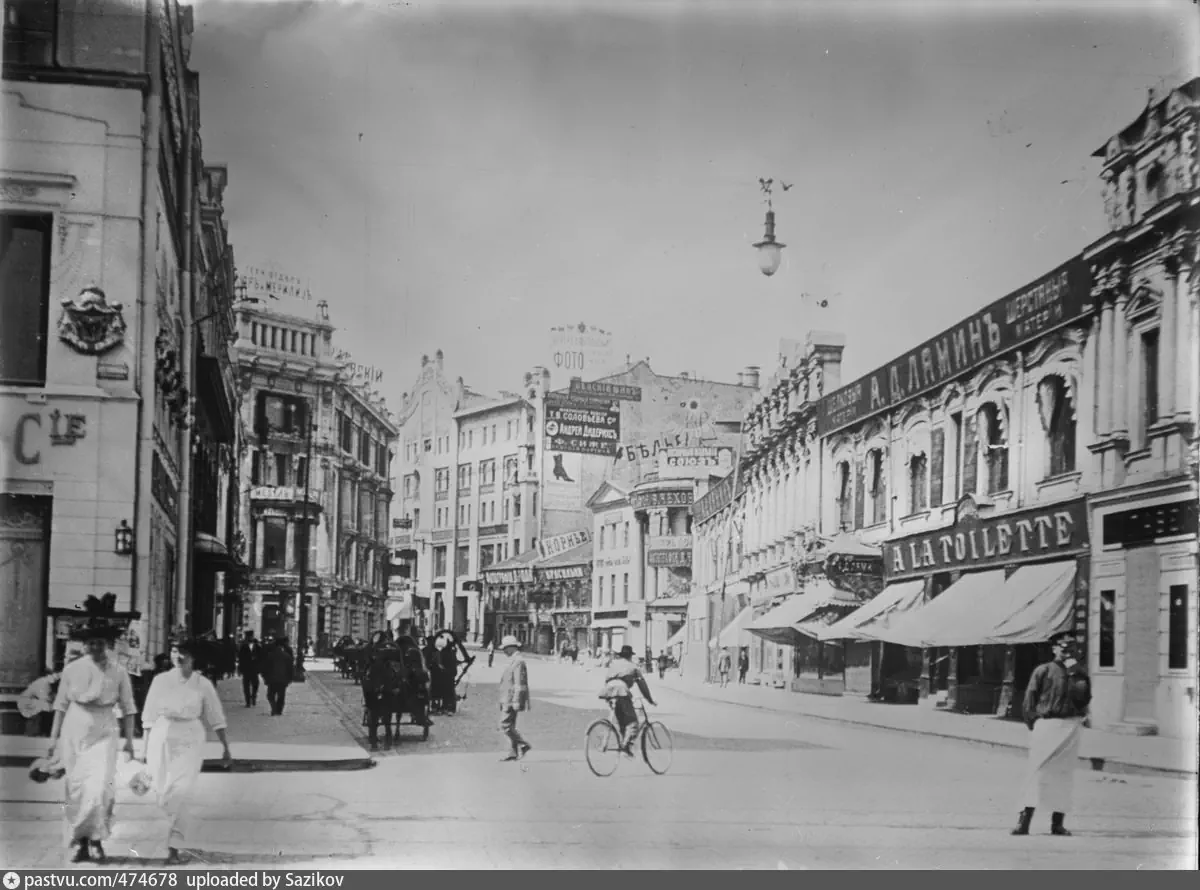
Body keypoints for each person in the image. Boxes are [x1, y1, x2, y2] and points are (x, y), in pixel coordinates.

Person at [46, 610, 137, 863]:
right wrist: (53, 740)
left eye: (100, 642)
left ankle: (96, 840)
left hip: (105, 730)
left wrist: (129, 742)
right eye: (91, 642)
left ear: (108, 645)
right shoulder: (72, 669)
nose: (96, 647)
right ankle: (79, 842)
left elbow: (129, 708)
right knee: (76, 789)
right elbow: (60, 706)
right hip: (75, 730)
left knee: (99, 788)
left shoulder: (118, 672)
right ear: (84, 645)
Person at [141, 639, 233, 864]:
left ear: (193, 658)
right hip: (162, 736)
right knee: (163, 792)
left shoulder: (202, 684)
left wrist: (225, 747)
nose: (179, 657)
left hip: (190, 737)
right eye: (175, 651)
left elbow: (215, 716)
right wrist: (144, 750)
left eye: (184, 653)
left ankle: (173, 846)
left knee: (181, 790)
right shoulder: (160, 681)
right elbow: (149, 715)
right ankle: (172, 841)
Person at [1012, 630, 1092, 837]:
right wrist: (1035, 724)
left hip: (1069, 726)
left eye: (1072, 648)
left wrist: (1076, 673)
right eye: (1063, 647)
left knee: (1063, 777)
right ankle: (1024, 822)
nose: (1067, 651)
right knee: (1036, 773)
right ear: (1054, 648)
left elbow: (1083, 698)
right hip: (1046, 725)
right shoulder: (1043, 670)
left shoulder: (1079, 673)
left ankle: (1057, 824)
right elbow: (1029, 700)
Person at [600, 645, 657, 756]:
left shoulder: (614, 663)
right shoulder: (633, 667)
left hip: (609, 691)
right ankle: (626, 745)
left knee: (622, 720)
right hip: (621, 691)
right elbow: (642, 685)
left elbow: (607, 679)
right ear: (630, 656)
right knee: (633, 722)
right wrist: (649, 699)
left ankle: (624, 744)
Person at [497, 635, 532, 762]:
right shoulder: (513, 660)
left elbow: (519, 683)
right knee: (511, 724)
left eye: (505, 648)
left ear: (512, 647)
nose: (504, 651)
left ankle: (523, 744)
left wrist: (517, 700)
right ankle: (512, 752)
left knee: (505, 725)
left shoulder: (518, 661)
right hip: (507, 697)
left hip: (511, 698)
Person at [262, 637, 294, 716]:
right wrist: (290, 678)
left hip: (272, 679)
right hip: (283, 679)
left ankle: (274, 707)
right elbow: (291, 668)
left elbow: (265, 668)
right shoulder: (287, 656)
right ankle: (279, 710)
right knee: (281, 695)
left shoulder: (270, 655)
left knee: (270, 695)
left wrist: (265, 678)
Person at [237, 630, 263, 708]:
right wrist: (240, 668)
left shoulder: (258, 646)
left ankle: (253, 696)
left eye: (250, 636)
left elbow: (261, 657)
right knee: (246, 686)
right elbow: (240, 658)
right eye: (248, 636)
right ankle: (248, 701)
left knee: (255, 684)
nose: (249, 637)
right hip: (246, 669)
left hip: (254, 669)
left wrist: (259, 666)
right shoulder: (243, 646)